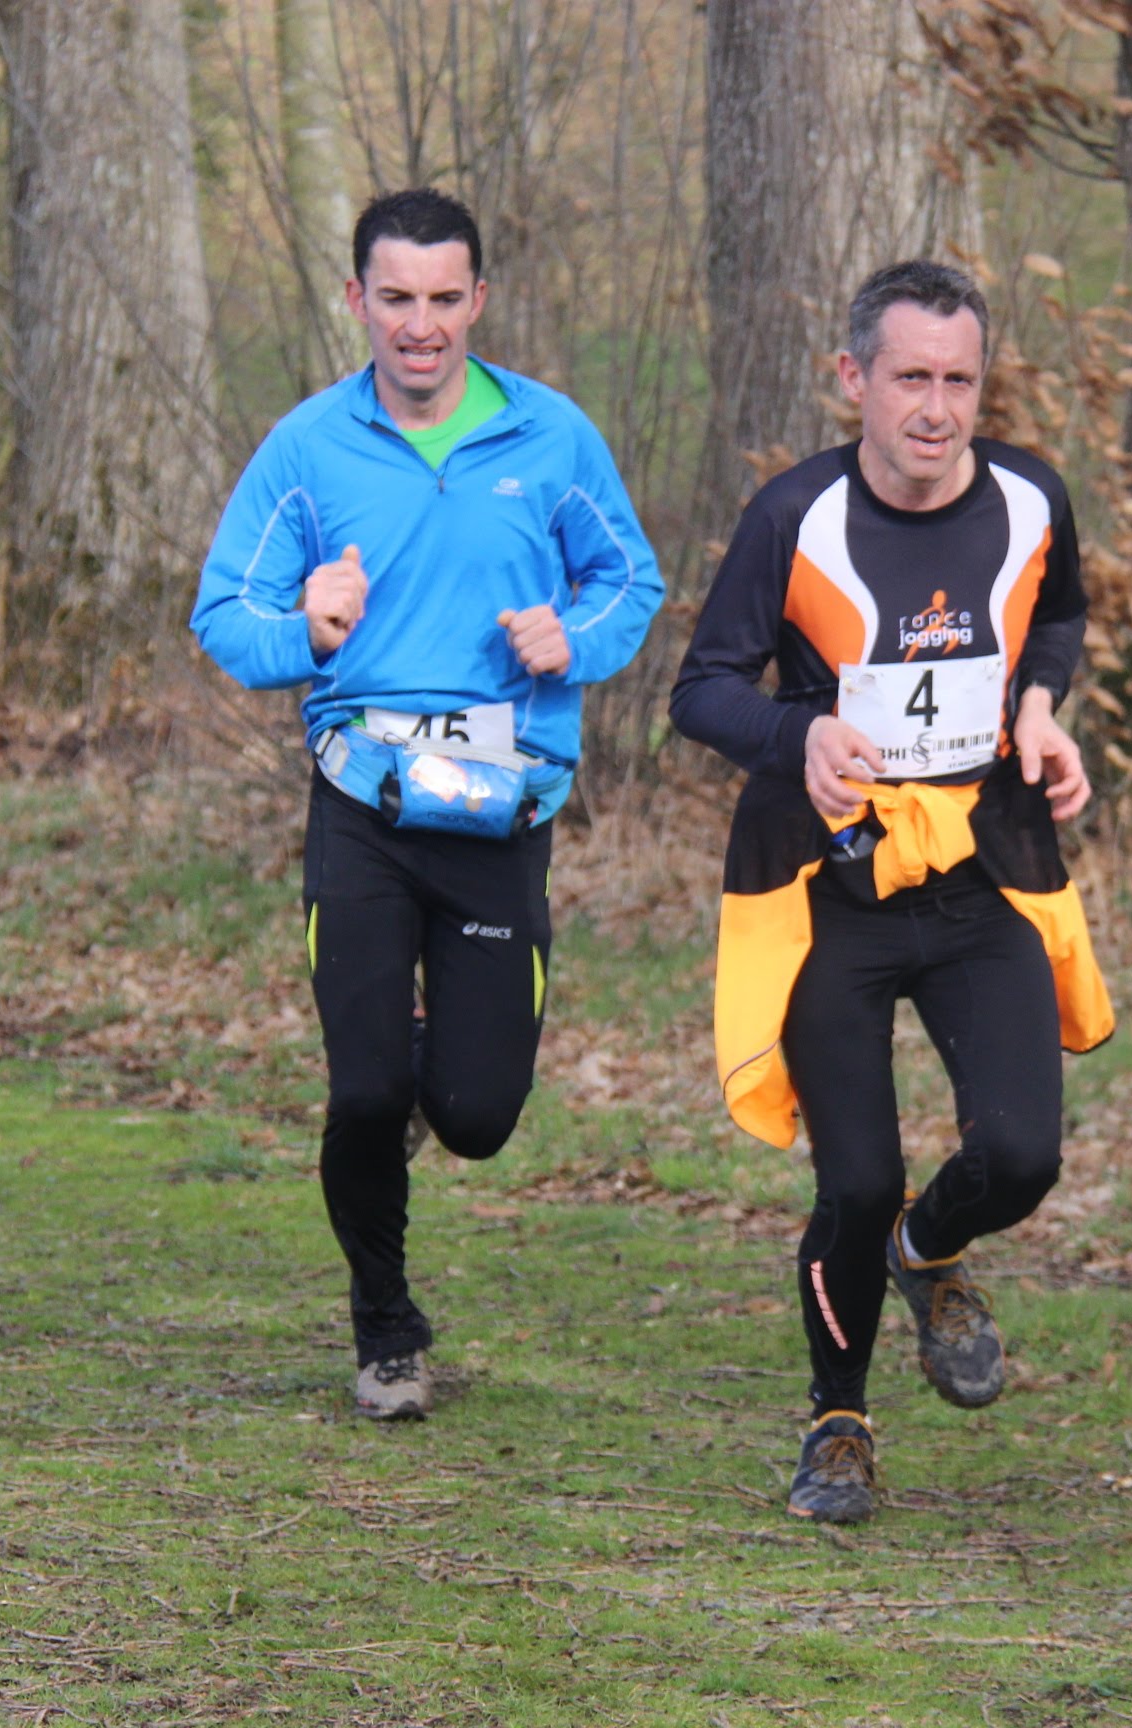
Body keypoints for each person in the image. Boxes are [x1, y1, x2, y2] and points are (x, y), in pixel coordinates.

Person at [192, 188, 661, 1422]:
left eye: (445, 298)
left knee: (477, 1115)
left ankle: (415, 1076)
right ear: (357, 299)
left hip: (501, 814)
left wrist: (575, 639)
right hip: (363, 805)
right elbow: (224, 616)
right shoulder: (308, 449)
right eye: (396, 297)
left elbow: (632, 582)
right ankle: (386, 1327)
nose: (420, 324)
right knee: (359, 1094)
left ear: (479, 301)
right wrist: (307, 630)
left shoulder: (552, 438)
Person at [669, 260, 1114, 1523]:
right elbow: (700, 689)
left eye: (960, 380)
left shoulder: (1031, 497)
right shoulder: (793, 516)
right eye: (910, 377)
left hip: (980, 875)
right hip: (832, 888)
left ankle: (929, 1252)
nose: (937, 408)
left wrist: (1039, 707)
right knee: (856, 1181)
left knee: (1022, 1156)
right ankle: (839, 1423)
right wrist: (795, 735)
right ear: (854, 378)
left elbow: (1058, 618)